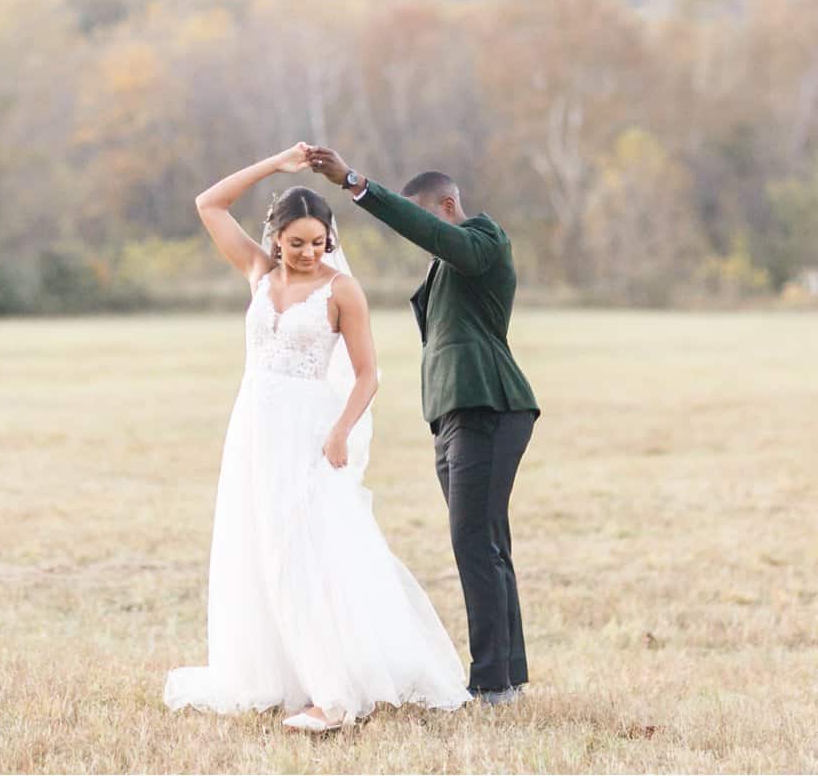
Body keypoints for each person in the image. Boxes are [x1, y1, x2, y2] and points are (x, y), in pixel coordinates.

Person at [164, 142, 472, 732]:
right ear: (276, 238)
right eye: (297, 242)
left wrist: (340, 431)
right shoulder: (258, 274)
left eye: (318, 241)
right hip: (254, 427)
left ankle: (332, 694)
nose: (308, 252)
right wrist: (275, 166)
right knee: (254, 545)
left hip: (311, 431)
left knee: (299, 553)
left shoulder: (341, 291)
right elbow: (208, 203)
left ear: (331, 239)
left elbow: (368, 375)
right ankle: (283, 675)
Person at [306, 146, 540, 705]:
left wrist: (357, 184)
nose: (422, 237)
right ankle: (507, 677)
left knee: (473, 542)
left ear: (449, 204)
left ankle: (491, 684)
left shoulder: (484, 240)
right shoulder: (446, 267)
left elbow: (436, 237)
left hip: (488, 405)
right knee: (486, 543)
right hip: (453, 414)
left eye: (426, 219)